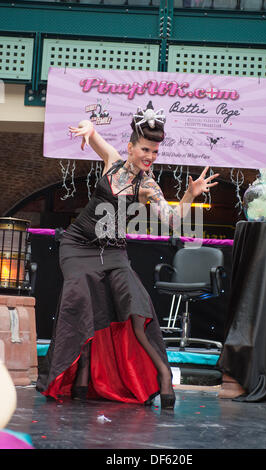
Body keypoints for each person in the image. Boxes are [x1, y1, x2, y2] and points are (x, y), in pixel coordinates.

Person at [36, 102, 219, 409]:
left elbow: (172, 222)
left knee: (135, 306)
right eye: (146, 149)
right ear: (131, 146)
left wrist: (189, 195)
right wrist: (87, 127)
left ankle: (163, 375)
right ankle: (81, 372)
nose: (150, 157)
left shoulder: (148, 187)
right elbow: (91, 131)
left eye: (155, 152)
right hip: (78, 245)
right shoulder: (112, 160)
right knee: (81, 300)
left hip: (114, 251)